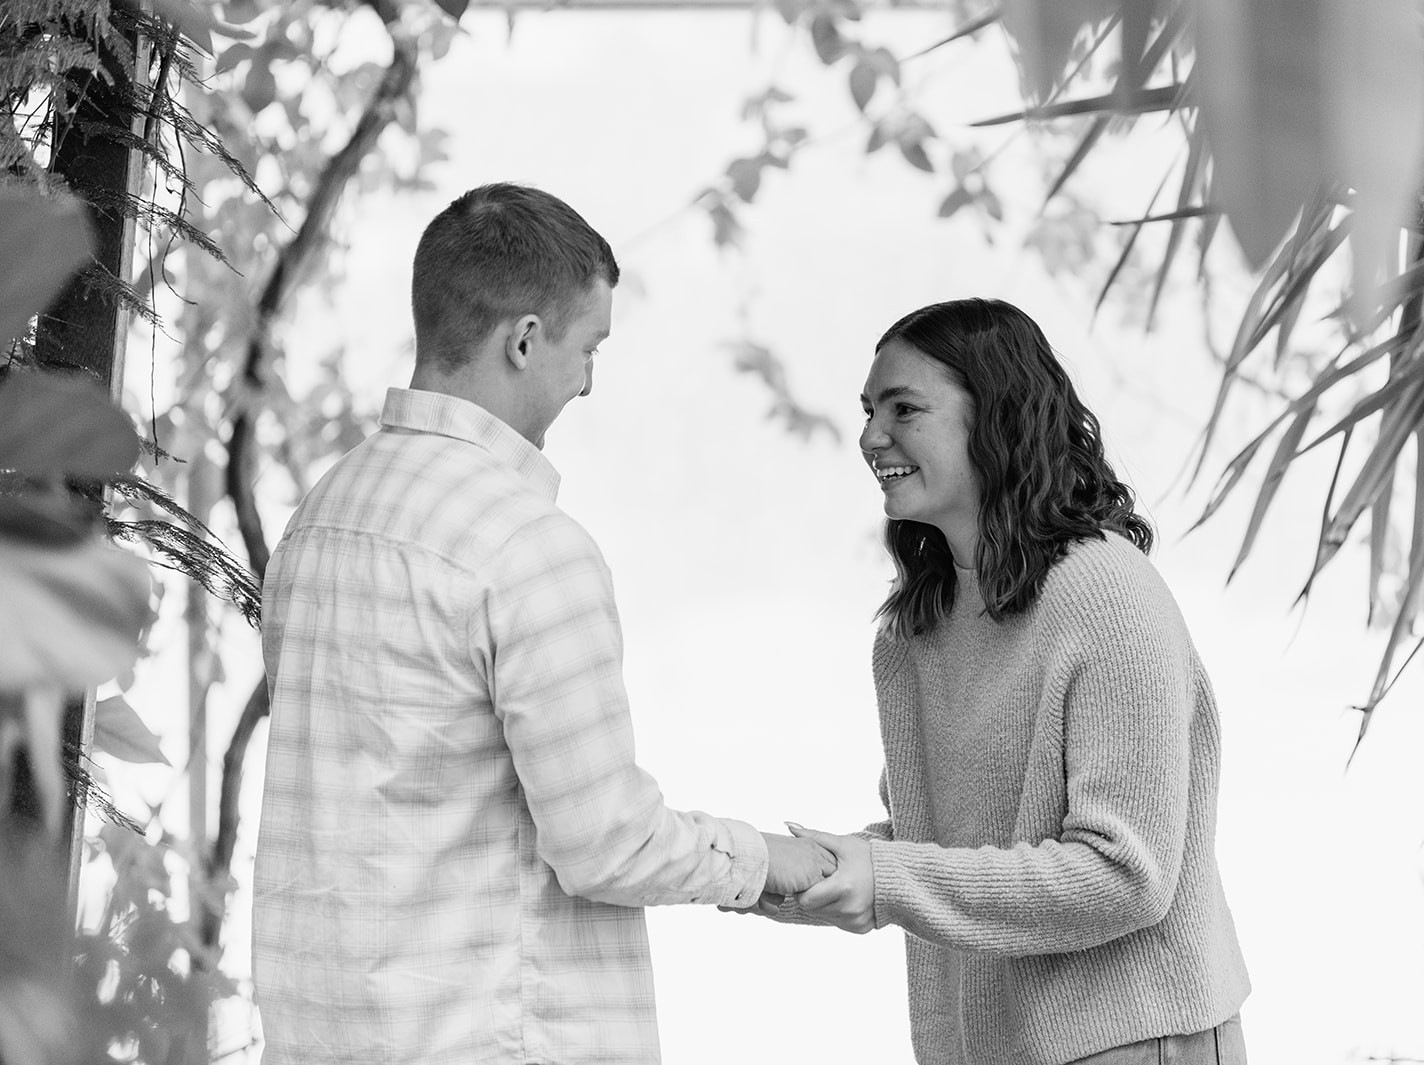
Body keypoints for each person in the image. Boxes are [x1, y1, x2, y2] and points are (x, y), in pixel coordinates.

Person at [251, 182, 834, 1065]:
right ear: (524, 340)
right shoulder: (527, 546)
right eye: (588, 347)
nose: (590, 381)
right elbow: (606, 843)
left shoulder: (321, 516)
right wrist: (759, 861)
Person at [752, 298, 1251, 1064]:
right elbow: (948, 847)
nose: (869, 437)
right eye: (867, 410)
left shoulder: (1106, 594)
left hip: (1134, 1040)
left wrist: (886, 876)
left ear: (997, 419)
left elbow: (1126, 872)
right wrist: (825, 867)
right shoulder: (917, 628)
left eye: (904, 408)